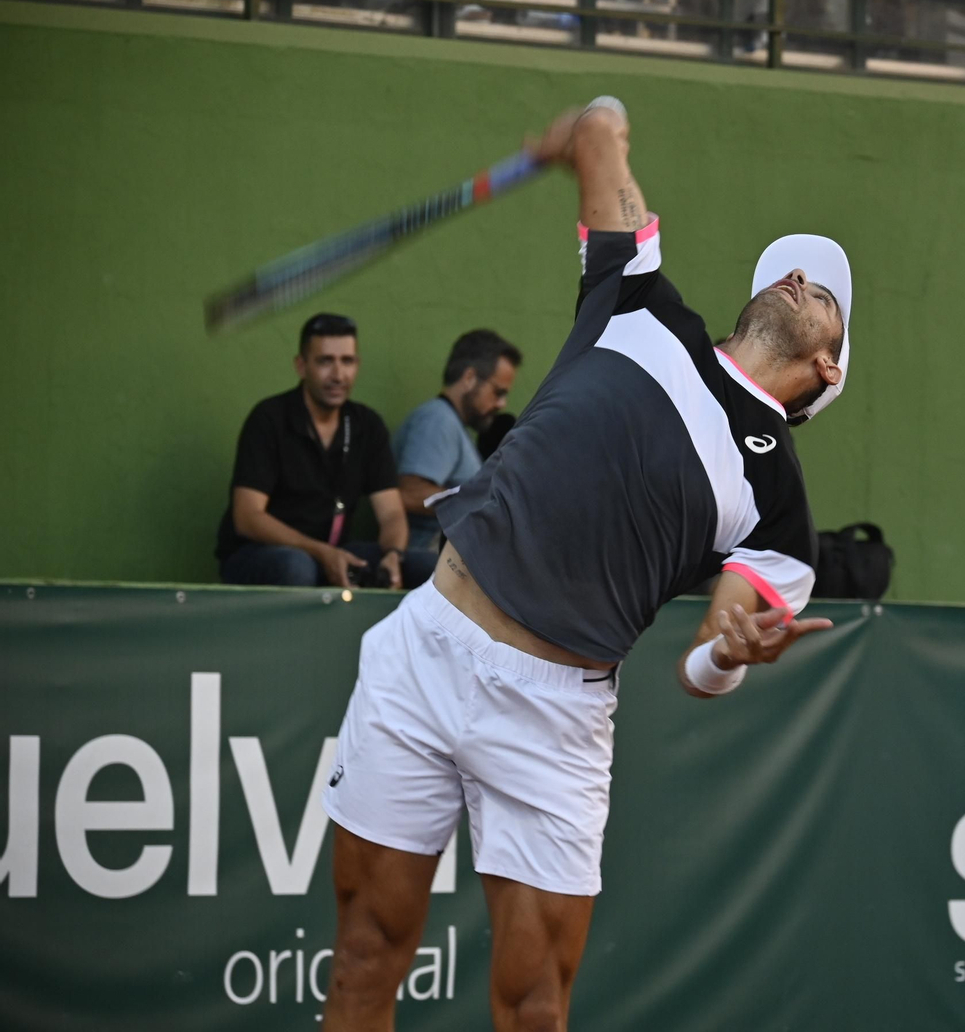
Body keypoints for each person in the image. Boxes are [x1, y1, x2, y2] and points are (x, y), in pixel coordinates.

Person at [320, 98, 852, 1032]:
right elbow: (606, 133)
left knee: (532, 1007)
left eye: (822, 293)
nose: (800, 279)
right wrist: (586, 127)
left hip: (552, 718)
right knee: (366, 954)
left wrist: (732, 650)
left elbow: (703, 661)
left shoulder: (778, 496)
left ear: (830, 368)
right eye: (790, 271)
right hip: (426, 645)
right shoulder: (638, 299)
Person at [216, 313, 425, 590]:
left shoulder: (367, 425)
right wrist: (320, 552)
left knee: (426, 567)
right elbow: (247, 517)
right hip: (261, 553)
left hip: (333, 551)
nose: (338, 375)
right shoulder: (269, 419)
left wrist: (393, 556)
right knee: (296, 566)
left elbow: (391, 514)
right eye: (325, 361)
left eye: (347, 361)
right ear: (301, 366)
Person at [392, 329, 522, 556]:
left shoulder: (450, 423)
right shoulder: (438, 420)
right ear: (469, 378)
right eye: (498, 392)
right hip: (427, 563)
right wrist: (483, 503)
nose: (502, 403)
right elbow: (409, 494)